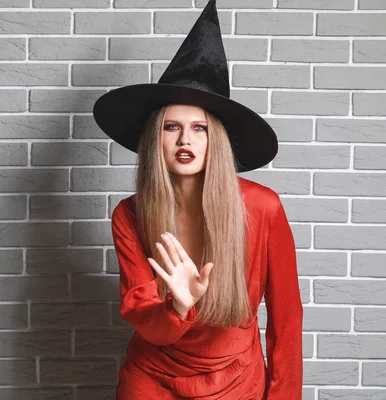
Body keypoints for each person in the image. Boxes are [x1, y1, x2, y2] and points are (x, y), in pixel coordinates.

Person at [92, 1, 303, 398]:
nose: (185, 140)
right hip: (153, 373)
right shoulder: (129, 214)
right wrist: (177, 307)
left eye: (199, 128)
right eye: (171, 127)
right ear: (156, 138)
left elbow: (287, 321)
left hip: (235, 376)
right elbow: (144, 317)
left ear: (216, 139)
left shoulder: (263, 207)